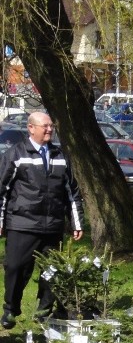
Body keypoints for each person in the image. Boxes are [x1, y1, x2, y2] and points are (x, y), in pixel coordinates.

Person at [0, 111, 84, 328]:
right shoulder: (16, 154)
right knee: (15, 267)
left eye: (51, 126)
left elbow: (72, 192)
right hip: (22, 223)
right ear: (31, 128)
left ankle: (44, 309)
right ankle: (11, 309)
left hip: (52, 226)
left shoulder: (60, 156)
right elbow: (2, 190)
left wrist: (76, 222)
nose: (49, 129)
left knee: (52, 270)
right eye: (45, 126)